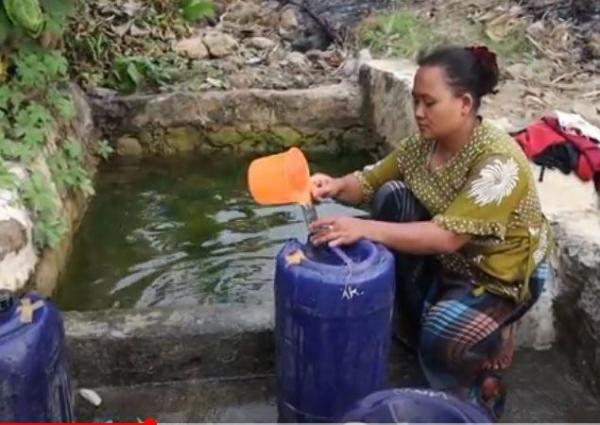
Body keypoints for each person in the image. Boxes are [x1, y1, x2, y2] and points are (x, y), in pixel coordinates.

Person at [308, 45, 552, 420]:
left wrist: (362, 227)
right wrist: (333, 185)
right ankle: (424, 326)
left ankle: (476, 392)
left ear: (465, 104)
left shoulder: (498, 163)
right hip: (456, 261)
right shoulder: (423, 146)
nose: (419, 113)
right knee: (394, 197)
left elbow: (447, 237)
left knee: (441, 338)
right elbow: (371, 182)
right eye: (415, 101)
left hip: (504, 274)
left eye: (429, 103)